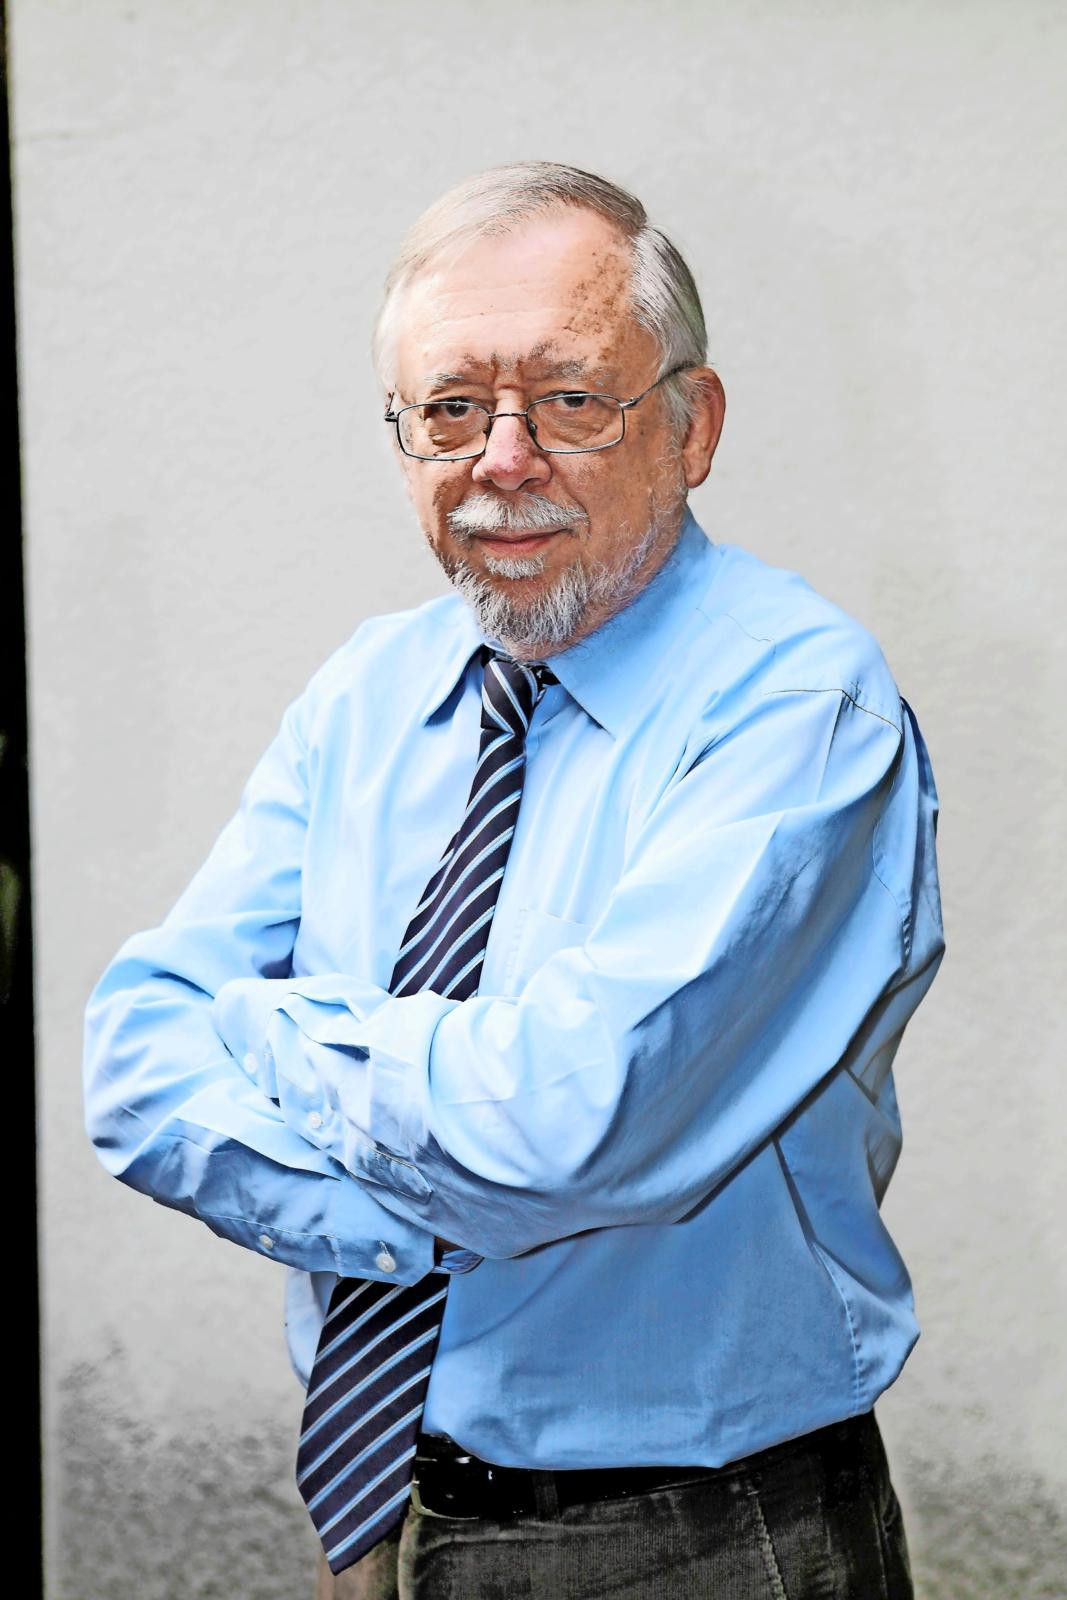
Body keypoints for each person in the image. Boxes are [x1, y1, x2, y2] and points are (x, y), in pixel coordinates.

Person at [83, 162, 944, 1599]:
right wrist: (421, 1212)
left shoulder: (803, 706)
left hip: (705, 1542)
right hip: (390, 1512)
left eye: (569, 398)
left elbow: (558, 1121)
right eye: (450, 408)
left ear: (692, 425)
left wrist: (275, 1030)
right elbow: (133, 1061)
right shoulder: (370, 689)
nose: (502, 457)